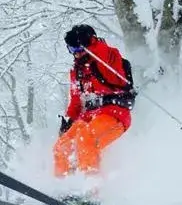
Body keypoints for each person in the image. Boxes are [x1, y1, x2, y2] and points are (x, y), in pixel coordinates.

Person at [53, 24, 135, 178]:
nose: (76, 54)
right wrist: (70, 120)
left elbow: (110, 60)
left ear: (88, 43)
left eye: (78, 49)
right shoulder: (77, 72)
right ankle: (62, 187)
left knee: (86, 137)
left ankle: (91, 189)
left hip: (114, 113)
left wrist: (92, 44)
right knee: (62, 145)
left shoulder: (106, 60)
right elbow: (76, 101)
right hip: (89, 116)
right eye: (72, 50)